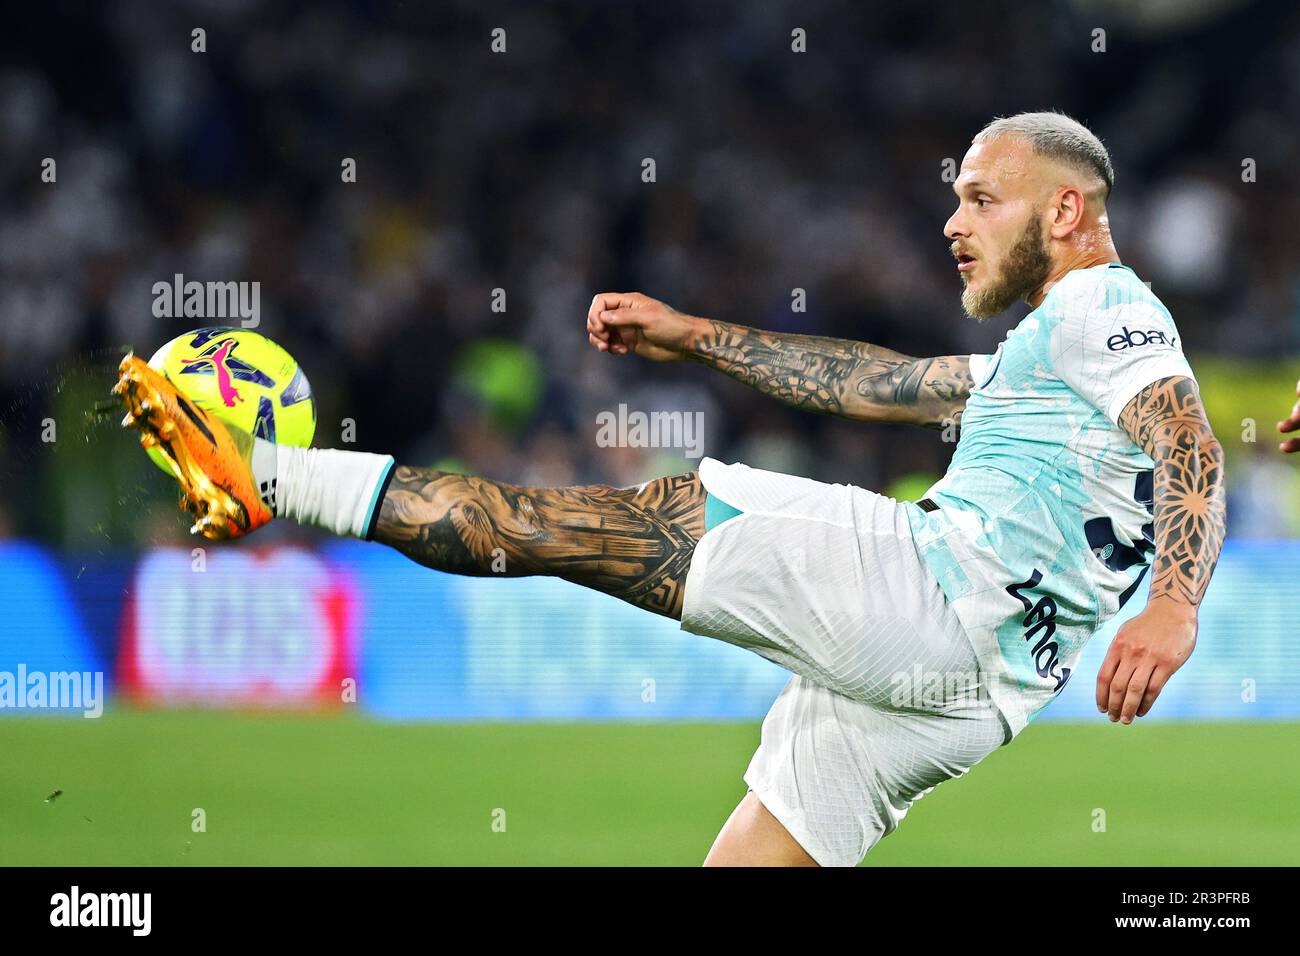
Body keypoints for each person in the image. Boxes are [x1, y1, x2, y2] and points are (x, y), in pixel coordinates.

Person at [114, 111, 1226, 867]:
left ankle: (260, 472)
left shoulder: (1105, 312)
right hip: (972, 697)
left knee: (561, 524)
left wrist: (1174, 602)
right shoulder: (1050, 356)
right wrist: (693, 334)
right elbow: (879, 380)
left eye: (982, 199)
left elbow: (1191, 444)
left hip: (930, 591)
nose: (953, 221)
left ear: (1067, 212)